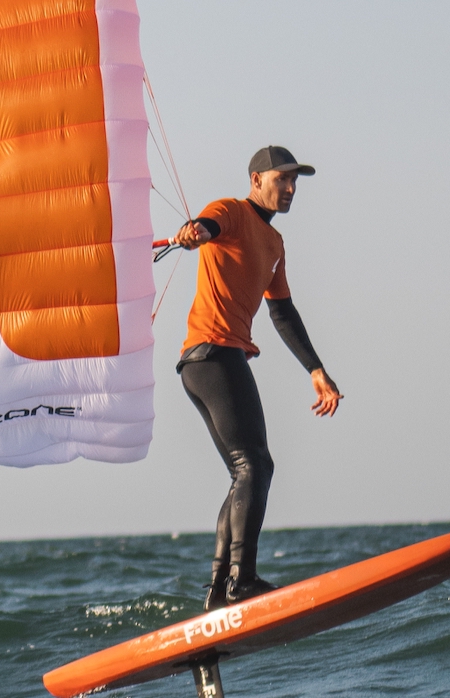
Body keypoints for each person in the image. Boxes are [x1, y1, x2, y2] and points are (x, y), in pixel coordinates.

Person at [172, 146, 343, 610]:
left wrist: (316, 369)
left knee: (244, 471)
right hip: (212, 356)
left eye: (294, 182)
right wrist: (195, 233)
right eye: (280, 180)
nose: (289, 189)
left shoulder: (274, 244)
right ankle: (240, 581)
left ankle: (217, 591)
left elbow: (282, 313)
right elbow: (208, 226)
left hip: (213, 362)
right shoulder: (231, 210)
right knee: (256, 466)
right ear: (255, 180)